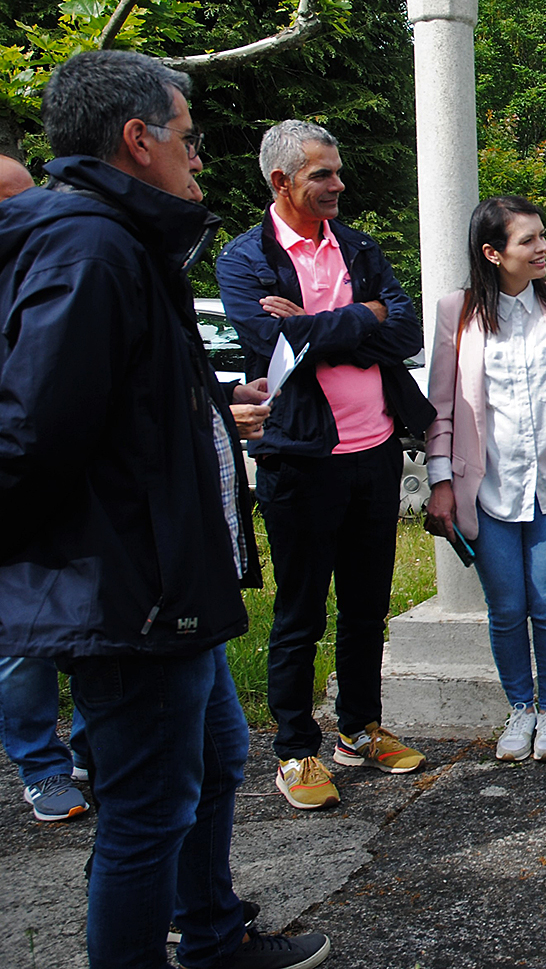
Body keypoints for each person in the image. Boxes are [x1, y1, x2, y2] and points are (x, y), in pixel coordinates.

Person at [0, 50, 327, 968]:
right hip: (131, 594)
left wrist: (207, 412)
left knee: (218, 757)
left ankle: (212, 934)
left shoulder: (118, 240)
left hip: (169, 587)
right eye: (187, 138)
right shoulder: (90, 248)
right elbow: (29, 435)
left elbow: (109, 408)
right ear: (136, 141)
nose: (198, 157)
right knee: (147, 812)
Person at [216, 120, 434, 811]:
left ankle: (359, 728)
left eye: (337, 171)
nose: (339, 184)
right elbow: (272, 340)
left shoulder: (360, 249)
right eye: (322, 175)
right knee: (300, 611)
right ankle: (293, 748)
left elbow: (407, 328)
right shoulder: (245, 259)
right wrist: (358, 318)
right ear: (281, 181)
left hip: (374, 454)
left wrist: (325, 320)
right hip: (301, 463)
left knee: (367, 607)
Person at [423, 196, 546, 762]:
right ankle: (519, 708)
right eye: (528, 240)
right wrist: (441, 480)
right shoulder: (458, 311)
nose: (542, 247)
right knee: (505, 608)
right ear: (493, 252)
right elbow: (441, 404)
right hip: (488, 490)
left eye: (542, 236)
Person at [0, 153, 91, 824]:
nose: (32, 212)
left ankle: (92, 750)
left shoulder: (51, 271)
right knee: (20, 648)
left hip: (76, 492)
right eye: (14, 201)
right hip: (11, 499)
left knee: (93, 630)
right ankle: (42, 765)